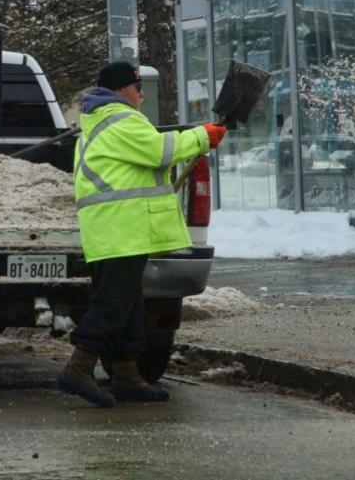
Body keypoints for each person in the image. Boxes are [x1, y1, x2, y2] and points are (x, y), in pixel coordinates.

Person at [56, 61, 227, 407]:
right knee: (112, 304)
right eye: (137, 88)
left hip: (115, 230)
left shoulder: (102, 120)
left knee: (129, 306)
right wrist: (202, 136)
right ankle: (79, 367)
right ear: (121, 89)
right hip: (120, 229)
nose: (140, 94)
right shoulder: (119, 118)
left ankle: (126, 375)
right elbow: (158, 150)